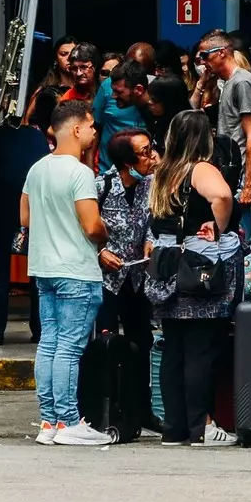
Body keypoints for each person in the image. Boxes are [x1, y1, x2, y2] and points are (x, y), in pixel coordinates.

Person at [144, 110, 241, 447]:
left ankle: (174, 427)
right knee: (200, 349)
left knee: (173, 351)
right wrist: (221, 225)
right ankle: (201, 425)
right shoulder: (200, 168)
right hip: (197, 268)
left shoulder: (163, 172)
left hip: (166, 266)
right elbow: (223, 195)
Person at [20, 98, 111, 446]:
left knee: (50, 344)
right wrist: (105, 234)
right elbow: (91, 225)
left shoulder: (37, 169)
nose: (92, 131)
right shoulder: (79, 172)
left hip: (43, 268)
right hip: (76, 268)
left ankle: (49, 422)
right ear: (75, 129)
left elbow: (25, 218)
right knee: (70, 349)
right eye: (90, 125)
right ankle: (70, 422)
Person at [0, 87, 58, 345]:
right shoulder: (39, 140)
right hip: (37, 204)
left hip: (2, 203)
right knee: (39, 269)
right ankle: (41, 328)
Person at [96, 129, 157, 351]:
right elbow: (83, 229)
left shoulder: (150, 184)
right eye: (145, 152)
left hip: (137, 277)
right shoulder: (102, 186)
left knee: (142, 339)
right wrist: (100, 253)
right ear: (127, 162)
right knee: (106, 341)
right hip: (107, 280)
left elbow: (154, 221)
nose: (152, 156)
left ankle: (138, 386)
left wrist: (150, 241)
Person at [198, 32, 251, 214]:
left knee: (242, 233)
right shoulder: (229, 82)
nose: (203, 62)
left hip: (241, 171)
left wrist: (248, 184)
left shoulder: (242, 82)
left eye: (205, 55)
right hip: (231, 169)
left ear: (221, 53)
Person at [95, 61, 153, 152]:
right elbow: (95, 127)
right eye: (113, 90)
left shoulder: (159, 101)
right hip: (105, 164)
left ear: (139, 90)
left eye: (119, 92)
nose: (113, 96)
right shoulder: (107, 85)